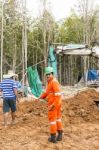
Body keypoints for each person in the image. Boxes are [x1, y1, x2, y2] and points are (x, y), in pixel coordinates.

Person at [38, 66, 63, 143]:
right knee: (58, 118)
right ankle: (60, 135)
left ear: (52, 74)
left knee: (52, 120)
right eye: (47, 74)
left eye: (49, 74)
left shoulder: (54, 82)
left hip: (54, 104)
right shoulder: (50, 82)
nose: (48, 76)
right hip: (57, 104)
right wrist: (41, 97)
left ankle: (53, 137)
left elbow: (58, 95)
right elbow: (47, 92)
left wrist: (53, 105)